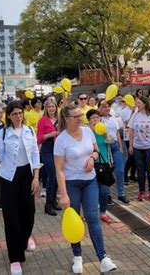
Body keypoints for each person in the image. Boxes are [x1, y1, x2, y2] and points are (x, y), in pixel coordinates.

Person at [54, 104, 117, 274]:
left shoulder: (88, 132)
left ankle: (103, 257)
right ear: (66, 119)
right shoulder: (61, 140)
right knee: (74, 222)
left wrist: (91, 158)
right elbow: (59, 170)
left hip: (90, 181)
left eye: (80, 115)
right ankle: (77, 256)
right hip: (72, 183)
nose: (80, 118)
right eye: (76, 116)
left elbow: (96, 151)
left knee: (92, 218)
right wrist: (63, 194)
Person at [0, 101, 40, 275]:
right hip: (8, 177)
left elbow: (35, 154)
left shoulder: (30, 131)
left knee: (29, 213)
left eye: (20, 113)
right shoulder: (3, 133)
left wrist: (36, 177)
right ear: (8, 115)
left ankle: (24, 238)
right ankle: (15, 258)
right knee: (11, 217)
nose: (18, 116)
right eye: (14, 114)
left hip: (27, 175)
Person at [128, 96, 150, 201]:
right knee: (140, 170)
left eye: (139, 103)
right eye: (137, 103)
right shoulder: (135, 115)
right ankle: (141, 191)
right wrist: (130, 145)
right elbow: (131, 130)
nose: (137, 105)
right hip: (137, 147)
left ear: (145, 104)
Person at [98, 99, 130, 204]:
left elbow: (117, 134)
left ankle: (121, 194)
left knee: (120, 171)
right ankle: (107, 195)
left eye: (108, 107)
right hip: (105, 147)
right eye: (104, 107)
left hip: (115, 145)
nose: (106, 109)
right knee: (107, 172)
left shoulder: (113, 119)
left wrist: (120, 147)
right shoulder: (98, 120)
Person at [87, 109, 113, 223]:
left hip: (104, 164)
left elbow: (111, 141)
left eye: (97, 117)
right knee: (91, 191)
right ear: (88, 120)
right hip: (90, 164)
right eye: (93, 118)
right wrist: (91, 130)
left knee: (104, 191)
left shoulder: (102, 130)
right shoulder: (86, 132)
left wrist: (106, 133)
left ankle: (103, 213)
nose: (95, 120)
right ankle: (89, 214)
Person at [37, 98, 61, 216]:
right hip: (47, 148)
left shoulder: (60, 119)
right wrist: (50, 134)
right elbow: (39, 138)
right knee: (52, 175)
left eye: (53, 106)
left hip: (59, 149)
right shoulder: (43, 120)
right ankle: (48, 204)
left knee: (58, 176)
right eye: (49, 107)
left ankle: (53, 200)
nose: (51, 109)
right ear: (46, 108)